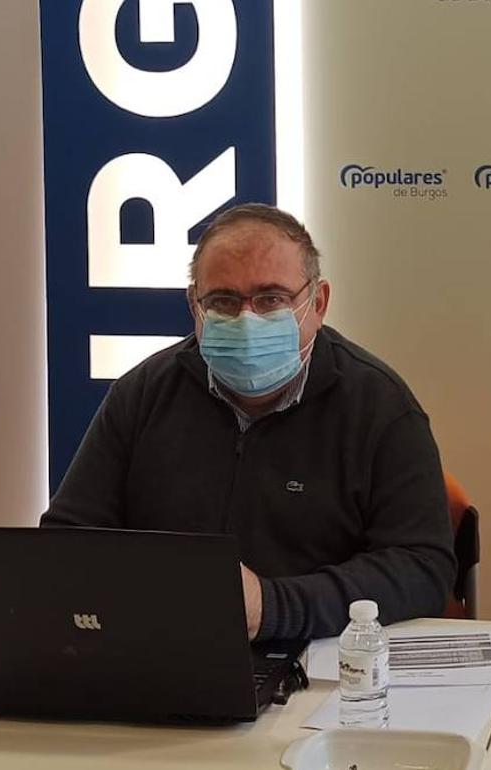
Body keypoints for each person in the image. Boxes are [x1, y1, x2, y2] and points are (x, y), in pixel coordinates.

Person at [43, 203, 456, 641]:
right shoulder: (143, 394)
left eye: (271, 298)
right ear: (194, 307)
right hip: (162, 650)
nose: (246, 319)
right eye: (222, 301)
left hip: (321, 663)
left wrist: (274, 606)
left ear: (318, 303)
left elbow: (422, 568)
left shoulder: (379, 406)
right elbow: (68, 539)